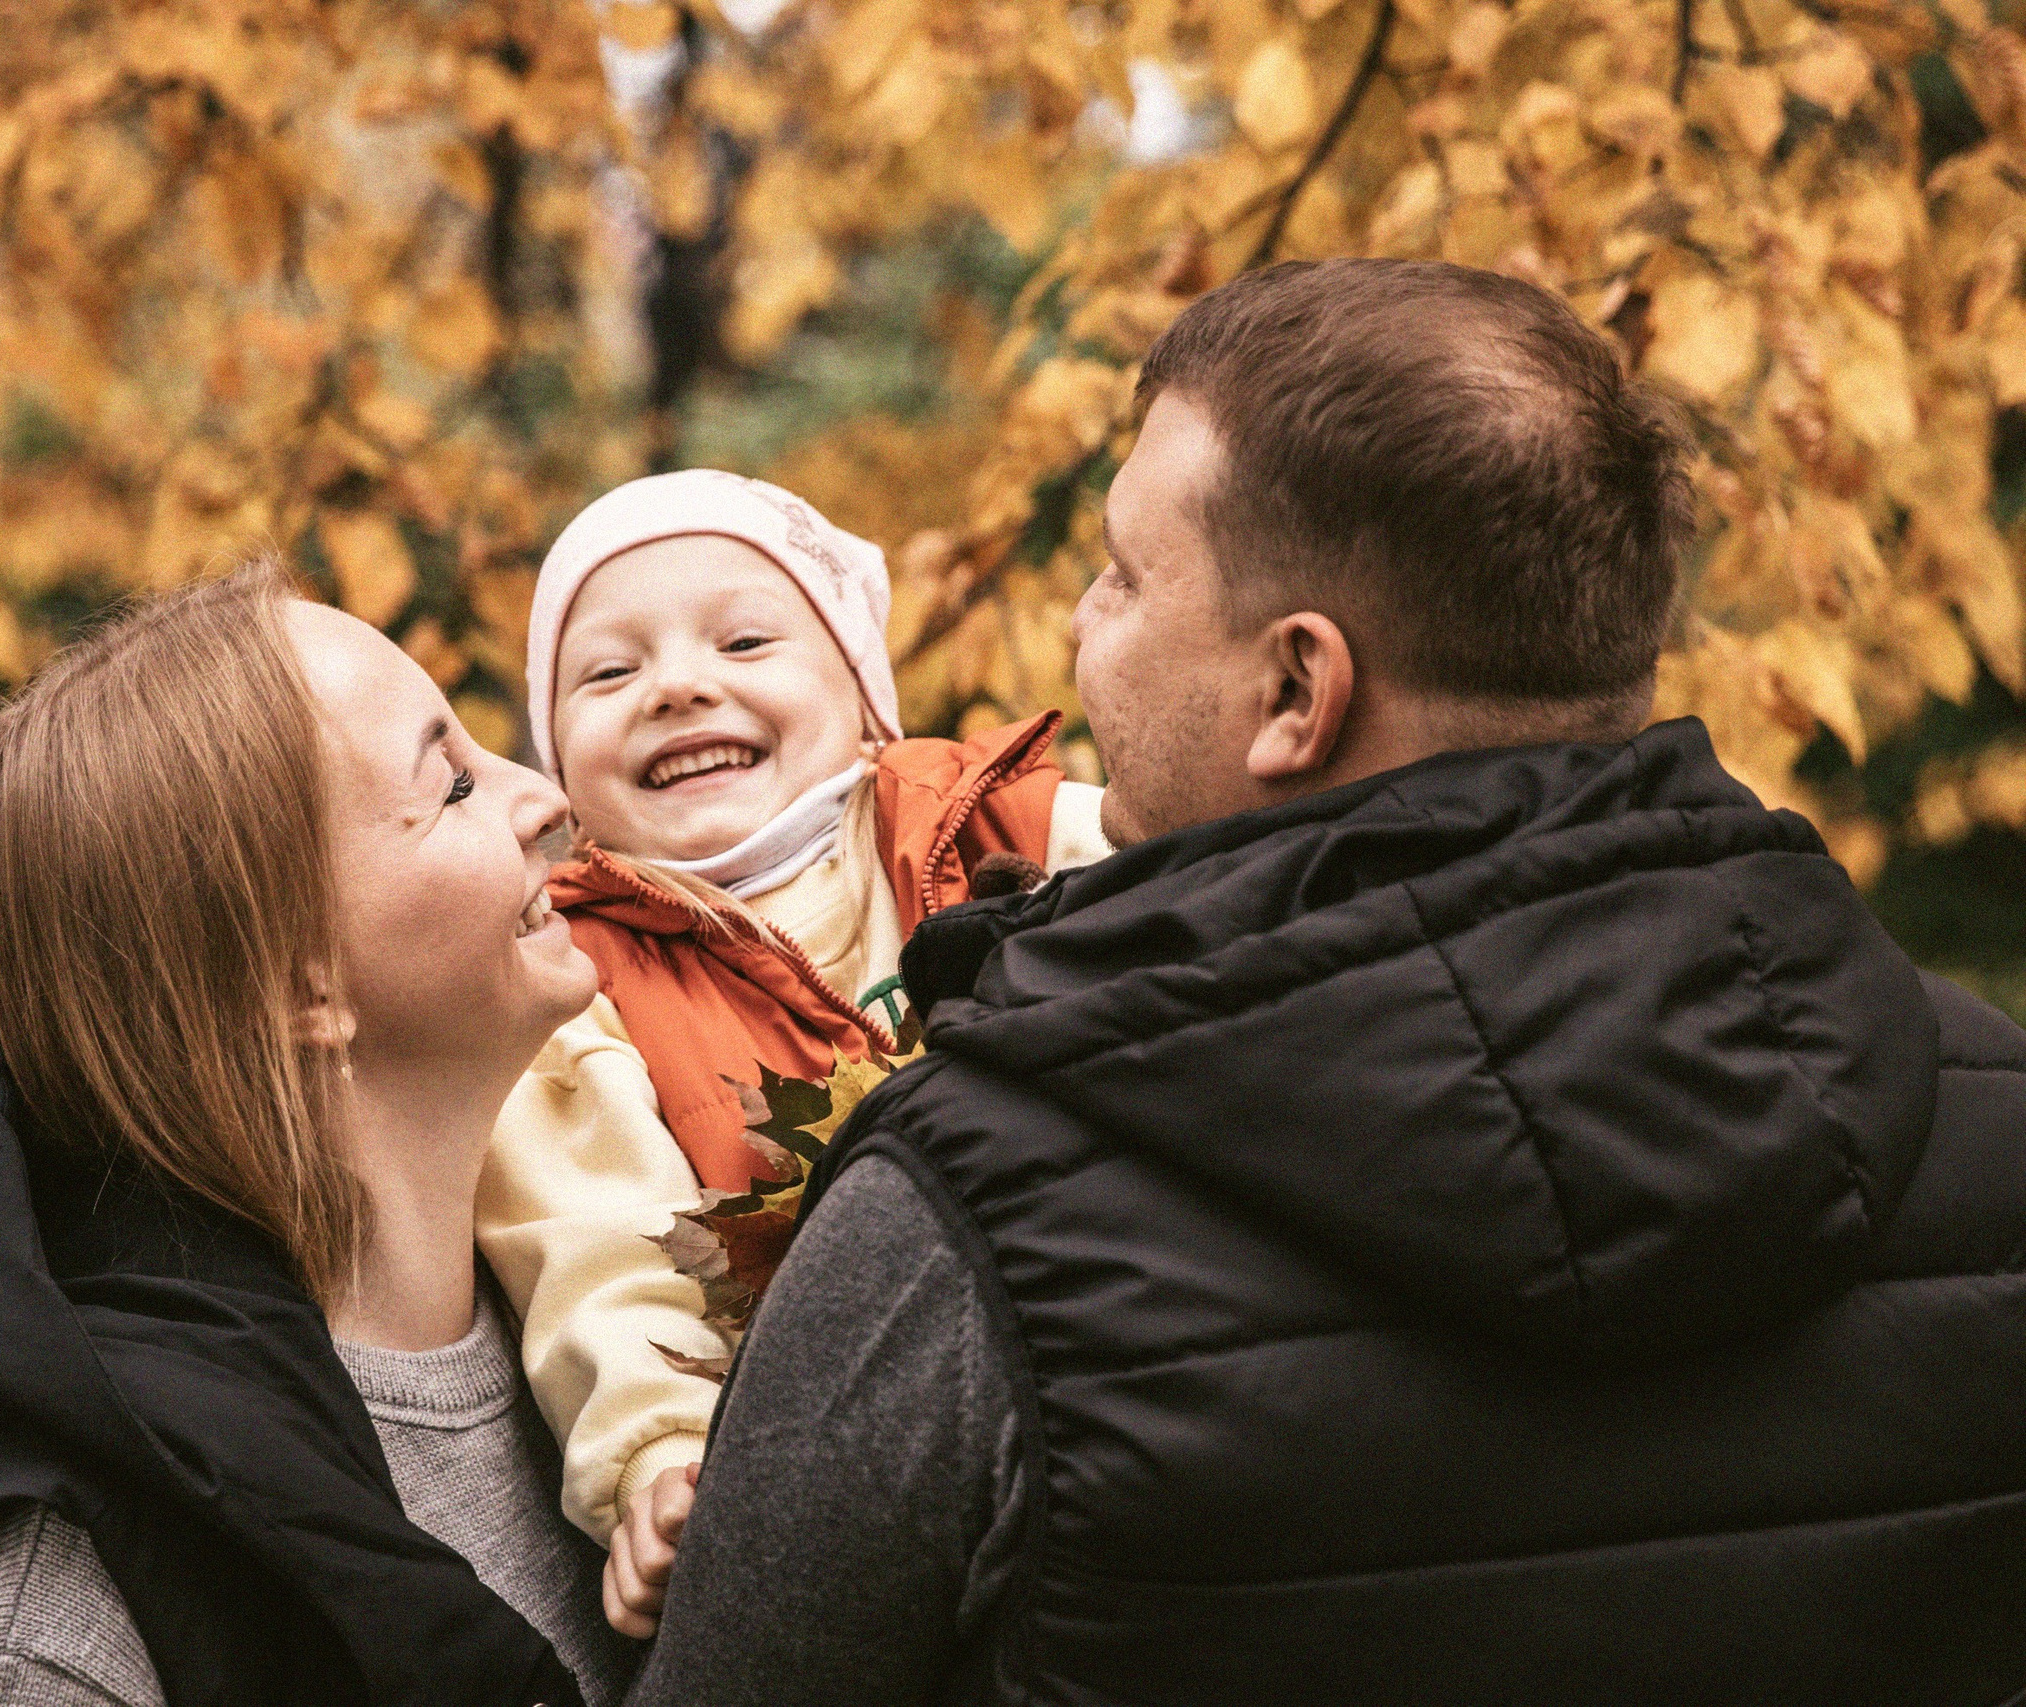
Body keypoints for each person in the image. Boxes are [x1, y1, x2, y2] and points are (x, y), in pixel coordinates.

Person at [629, 259, 2026, 1704]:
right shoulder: (1986, 1118)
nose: (1081, 625)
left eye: (1124, 575)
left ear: (1298, 689)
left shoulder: (963, 1218)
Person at [0, 561, 638, 1707]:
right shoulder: (46, 1641)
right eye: (454, 785)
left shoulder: (611, 1305)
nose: (546, 797)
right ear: (299, 986)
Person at [468, 470, 1113, 1620]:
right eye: (607, 672)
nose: (677, 685)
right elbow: (591, 1245)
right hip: (829, 1454)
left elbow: (1216, 903)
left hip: (1103, 1343)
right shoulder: (574, 984)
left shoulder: (1001, 828)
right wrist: (660, 1457)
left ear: (864, 696)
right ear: (558, 771)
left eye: (745, 641)